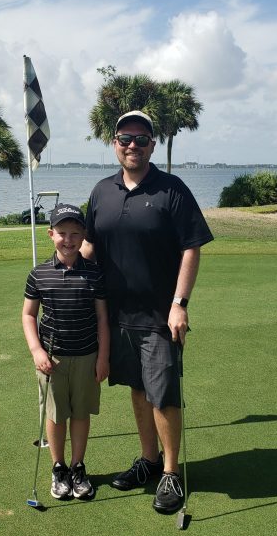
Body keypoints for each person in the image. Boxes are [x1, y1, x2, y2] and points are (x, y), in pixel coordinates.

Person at [81, 110, 214, 514]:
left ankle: (171, 473)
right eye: (125, 138)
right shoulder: (102, 191)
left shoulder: (171, 189)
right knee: (138, 389)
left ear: (153, 144)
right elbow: (90, 247)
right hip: (116, 316)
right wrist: (63, 276)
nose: (132, 145)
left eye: (141, 139)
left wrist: (179, 304)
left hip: (159, 316)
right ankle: (149, 460)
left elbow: (192, 246)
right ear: (115, 144)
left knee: (163, 394)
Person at [22, 204, 110, 501]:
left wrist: (103, 357)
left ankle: (77, 466)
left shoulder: (94, 274)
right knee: (57, 416)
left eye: (75, 234)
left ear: (84, 236)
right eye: (62, 233)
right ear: (50, 234)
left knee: (81, 413)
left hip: (87, 356)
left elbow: (102, 319)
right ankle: (58, 468)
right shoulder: (39, 274)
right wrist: (36, 350)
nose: (68, 240)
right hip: (52, 359)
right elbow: (28, 315)